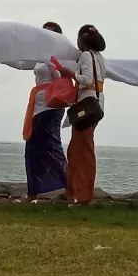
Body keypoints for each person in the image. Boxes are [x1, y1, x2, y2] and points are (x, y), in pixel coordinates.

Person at [23, 21, 68, 199]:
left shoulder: (57, 54)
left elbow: (59, 77)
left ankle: (69, 185)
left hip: (50, 105)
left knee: (50, 146)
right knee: (33, 148)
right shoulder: (40, 54)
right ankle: (34, 191)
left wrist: (52, 63)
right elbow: (20, 63)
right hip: (38, 104)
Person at [66, 23, 106, 205]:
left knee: (82, 150)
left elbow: (86, 79)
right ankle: (72, 189)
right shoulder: (100, 57)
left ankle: (82, 195)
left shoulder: (85, 55)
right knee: (78, 147)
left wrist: (70, 73)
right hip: (97, 103)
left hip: (86, 103)